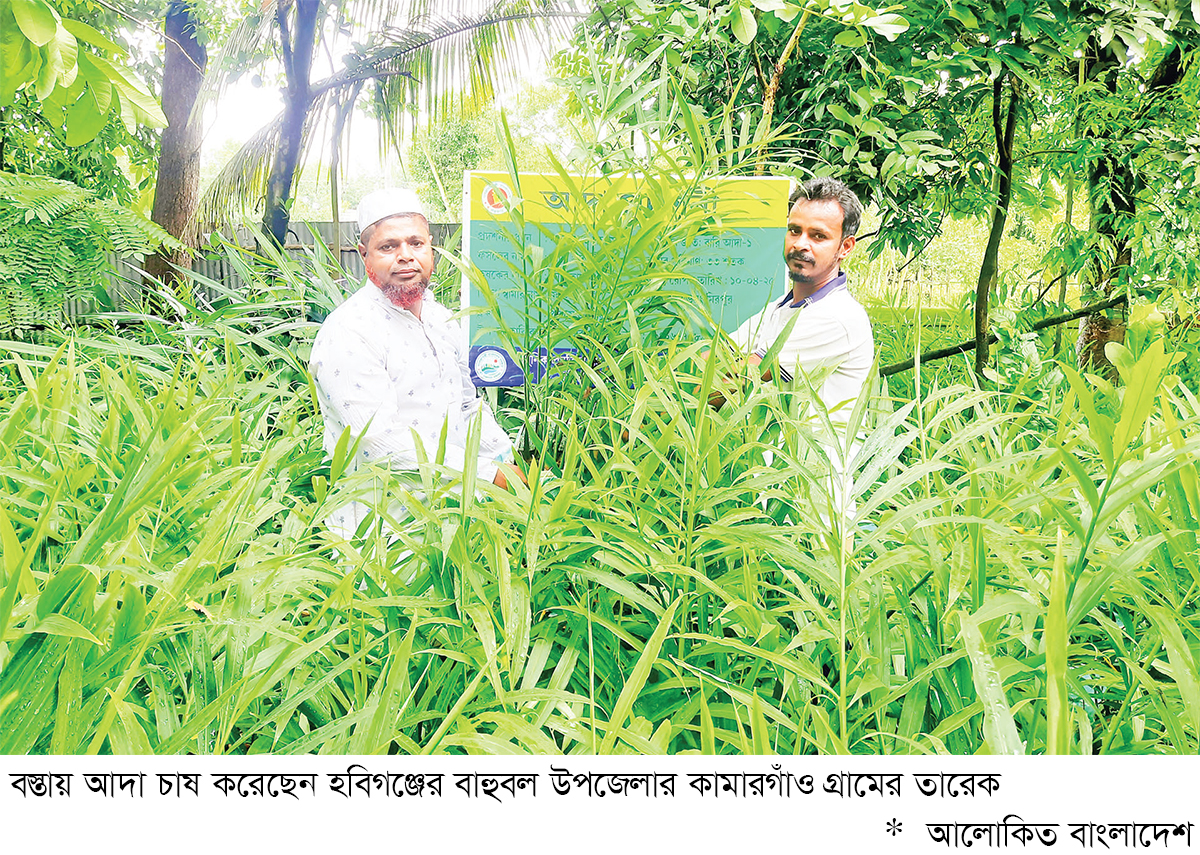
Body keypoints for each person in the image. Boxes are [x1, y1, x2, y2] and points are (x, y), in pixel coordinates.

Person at [310, 188, 522, 537]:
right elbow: (377, 444)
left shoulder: (443, 320)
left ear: (431, 247)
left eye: (416, 243)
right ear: (364, 255)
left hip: (459, 520)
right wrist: (490, 477)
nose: (405, 257)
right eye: (388, 247)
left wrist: (505, 460)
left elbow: (468, 406)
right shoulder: (348, 332)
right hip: (385, 535)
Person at [728, 176, 875, 519]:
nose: (801, 244)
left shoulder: (838, 317)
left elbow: (732, 380)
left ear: (846, 247)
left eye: (818, 235)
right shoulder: (781, 308)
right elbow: (720, 356)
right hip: (770, 493)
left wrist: (652, 410)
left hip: (813, 506)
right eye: (795, 230)